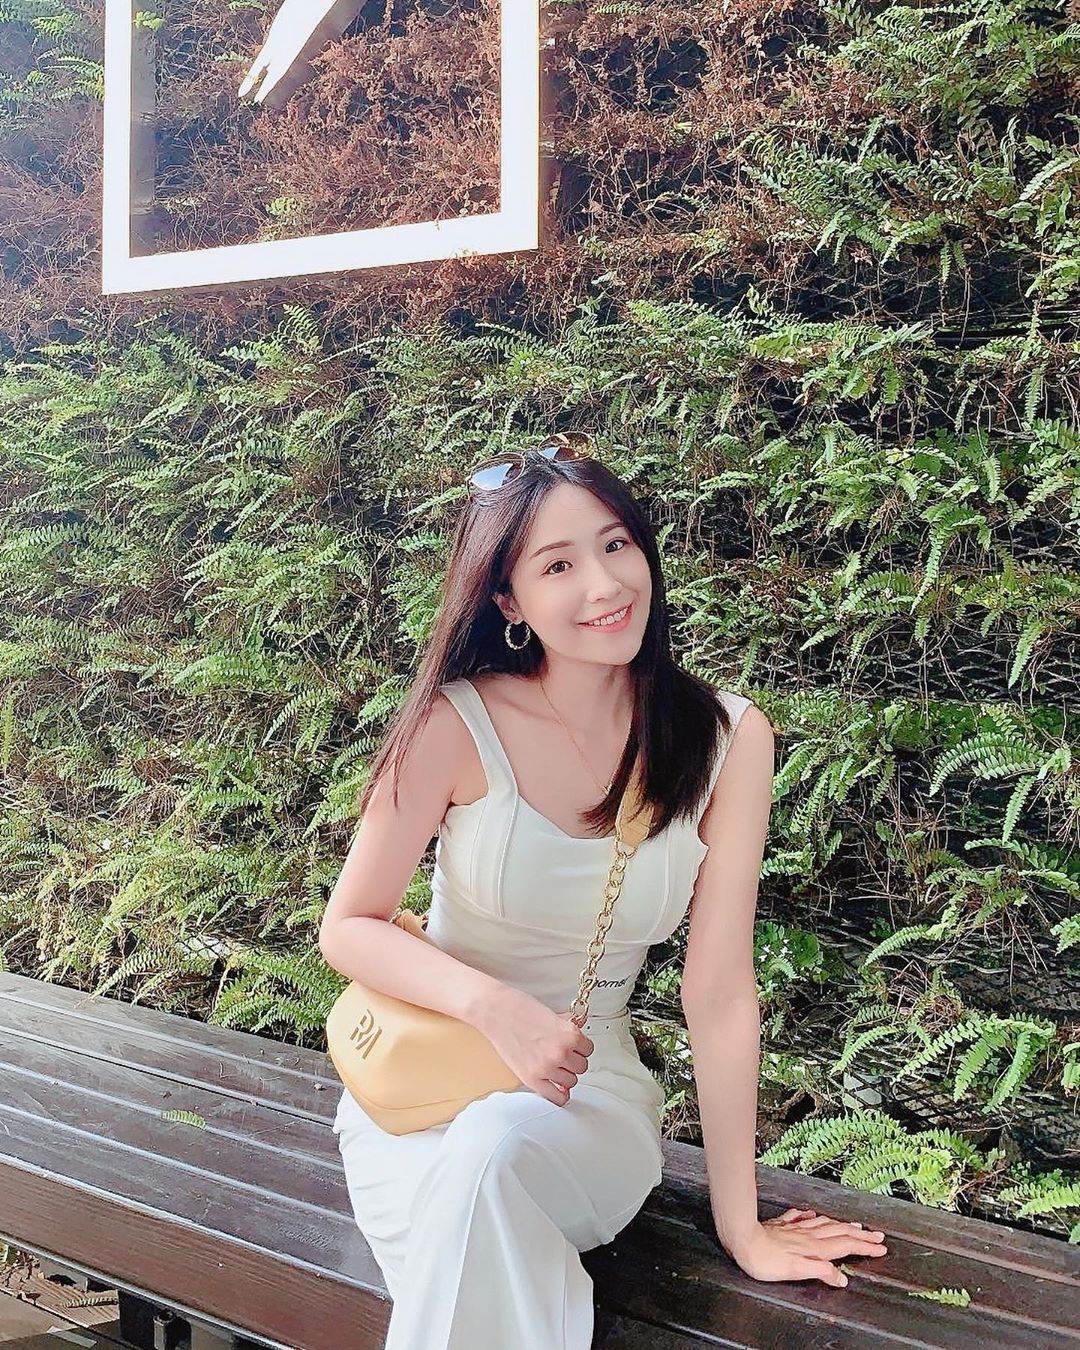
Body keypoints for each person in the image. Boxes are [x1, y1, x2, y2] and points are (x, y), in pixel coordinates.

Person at [319, 434, 888, 1348]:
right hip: (423, 1099)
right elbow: (349, 926)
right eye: (558, 564)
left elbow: (719, 991)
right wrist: (497, 1009)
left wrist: (741, 1227)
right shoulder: (453, 726)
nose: (605, 583)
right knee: (471, 1206)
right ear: (509, 600)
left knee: (493, 1160)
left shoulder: (725, 740)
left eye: (616, 544)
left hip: (584, 1107)